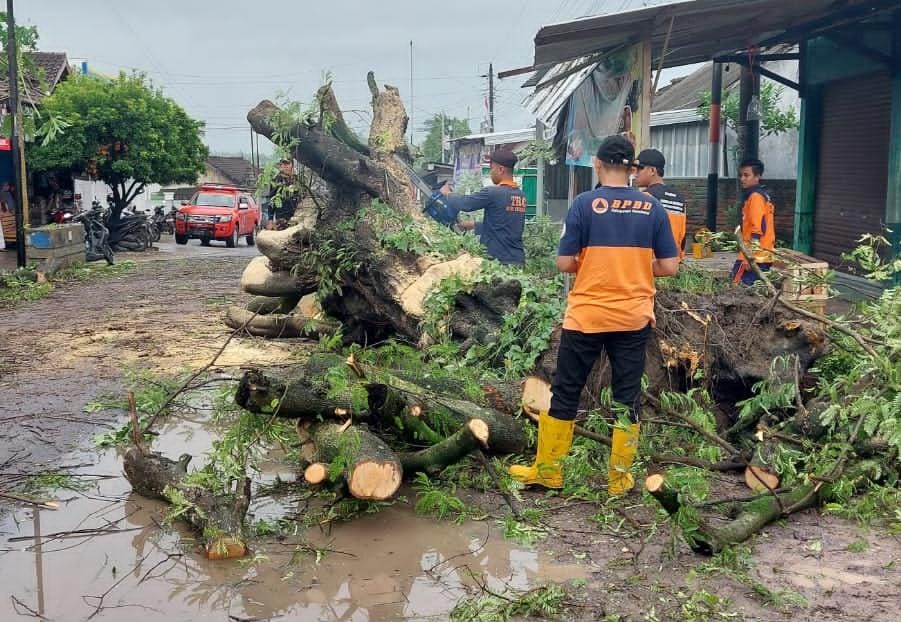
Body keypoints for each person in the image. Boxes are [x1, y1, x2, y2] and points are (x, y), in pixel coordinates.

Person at [508, 136, 680, 495]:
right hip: (633, 316)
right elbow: (669, 265)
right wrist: (634, 266)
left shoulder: (585, 204)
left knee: (567, 391)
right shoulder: (652, 207)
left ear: (598, 165)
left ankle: (549, 471)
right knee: (627, 396)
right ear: (632, 169)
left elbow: (563, 263)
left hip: (587, 315)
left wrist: (594, 263)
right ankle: (619, 478)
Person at [440, 149, 527, 265]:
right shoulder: (520, 195)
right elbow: (504, 226)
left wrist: (447, 194)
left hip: (497, 261)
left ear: (501, 169)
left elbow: (466, 204)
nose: (491, 173)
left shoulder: (492, 193)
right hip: (517, 259)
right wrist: (472, 225)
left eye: (492, 168)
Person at [635, 149, 687, 260]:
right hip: (674, 263)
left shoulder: (645, 198)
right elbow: (682, 237)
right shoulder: (680, 199)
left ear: (652, 170)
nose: (635, 174)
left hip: (653, 264)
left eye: (639, 169)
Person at [731, 158, 776, 285]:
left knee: (736, 287)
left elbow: (758, 228)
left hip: (754, 256)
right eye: (741, 175)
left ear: (757, 176)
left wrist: (749, 257)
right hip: (763, 254)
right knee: (754, 293)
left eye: (746, 175)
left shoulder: (755, 197)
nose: (742, 179)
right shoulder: (761, 195)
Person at [266, 158, 300, 230]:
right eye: (283, 164)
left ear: (292, 165)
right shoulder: (276, 180)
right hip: (281, 217)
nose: (285, 166)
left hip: (296, 216)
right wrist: (270, 219)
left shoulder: (297, 180)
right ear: (280, 166)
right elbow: (271, 200)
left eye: (287, 164)